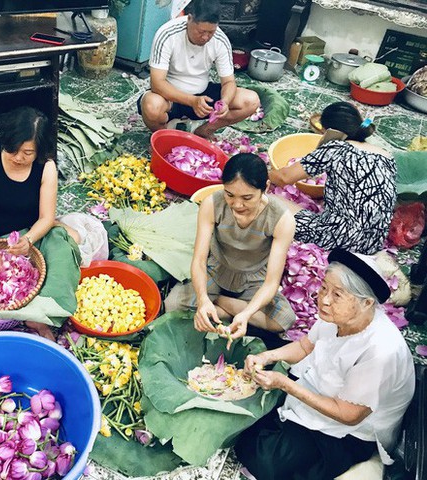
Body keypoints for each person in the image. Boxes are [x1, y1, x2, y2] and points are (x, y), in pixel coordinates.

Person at [235, 248, 415, 480]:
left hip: (352, 431)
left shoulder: (380, 351)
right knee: (252, 402)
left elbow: (349, 415)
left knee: (266, 462)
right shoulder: (335, 316)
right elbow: (304, 347)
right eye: (323, 288)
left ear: (367, 303)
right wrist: (267, 357)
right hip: (324, 389)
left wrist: (285, 385)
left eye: (337, 294)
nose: (324, 300)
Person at [0, 106, 80, 340]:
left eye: (27, 153)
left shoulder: (45, 167)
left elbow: (46, 217)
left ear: (39, 150)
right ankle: (23, 313)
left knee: (70, 243)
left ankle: (37, 314)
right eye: (13, 150)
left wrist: (28, 240)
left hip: (28, 232)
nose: (19, 158)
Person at [165, 153, 296, 341]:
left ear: (265, 188)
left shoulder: (281, 219)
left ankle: (222, 307)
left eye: (247, 197)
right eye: (230, 194)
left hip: (253, 278)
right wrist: (202, 300)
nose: (237, 204)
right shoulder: (212, 203)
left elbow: (271, 283)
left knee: (283, 320)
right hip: (216, 270)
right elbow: (200, 261)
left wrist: (246, 314)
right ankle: (218, 304)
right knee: (172, 304)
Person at [269, 101, 396, 255]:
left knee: (268, 201)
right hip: (372, 245)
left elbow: (284, 178)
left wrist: (263, 175)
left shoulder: (336, 148)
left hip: (337, 241)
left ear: (331, 132)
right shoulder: (387, 156)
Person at [138, 0, 259, 139]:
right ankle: (163, 135)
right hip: (170, 97)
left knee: (251, 100)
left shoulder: (220, 40)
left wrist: (225, 102)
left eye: (211, 32)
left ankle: (204, 131)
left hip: (203, 97)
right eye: (201, 31)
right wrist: (192, 101)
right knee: (151, 106)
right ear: (189, 19)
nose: (205, 37)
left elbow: (229, 82)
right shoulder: (167, 34)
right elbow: (157, 83)